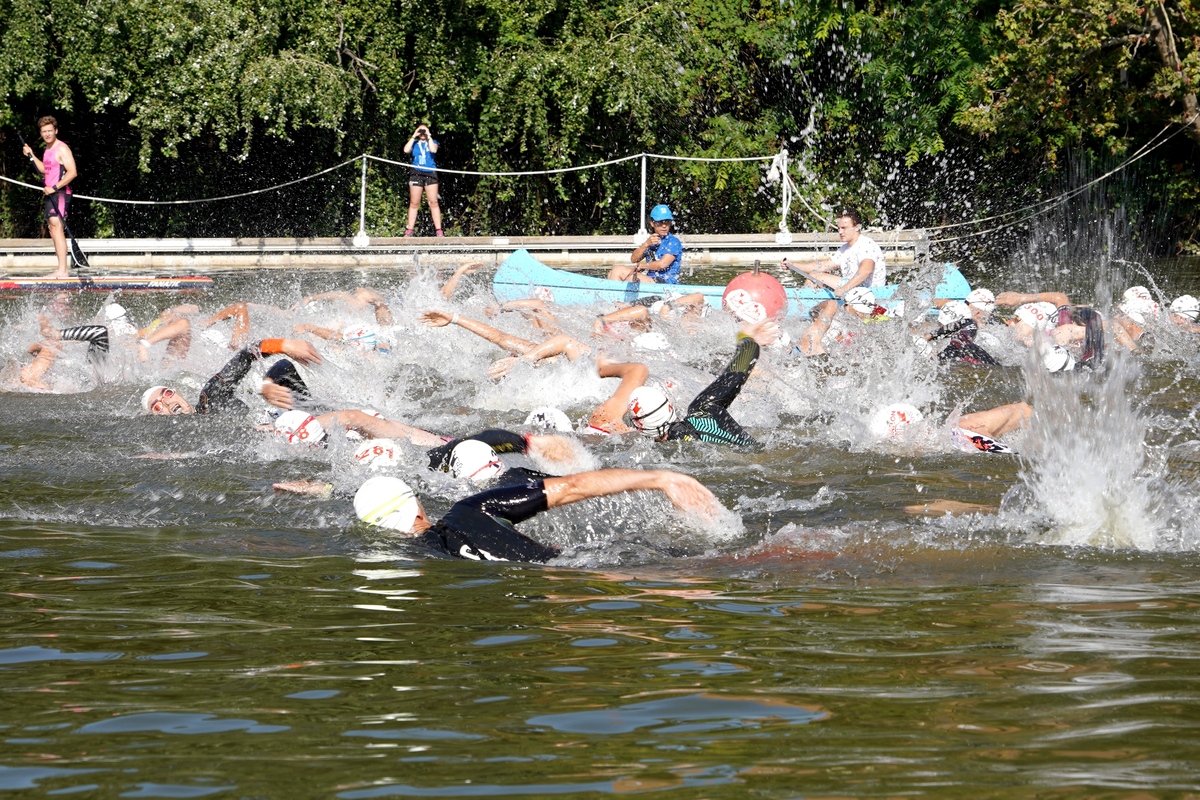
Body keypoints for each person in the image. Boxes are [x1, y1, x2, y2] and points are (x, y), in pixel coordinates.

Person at [354, 468, 717, 563]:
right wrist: (660, 479)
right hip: (573, 567)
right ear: (415, 503)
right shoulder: (469, 510)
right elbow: (572, 486)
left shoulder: (410, 558)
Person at [626, 320, 777, 446]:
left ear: (640, 429)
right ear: (669, 406)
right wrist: (746, 338)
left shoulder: (654, 458)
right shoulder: (703, 409)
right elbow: (736, 374)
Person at [21, 116, 77, 279]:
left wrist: (53, 188)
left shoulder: (62, 148)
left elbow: (72, 172)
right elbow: (45, 170)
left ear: (56, 131)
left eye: (49, 131)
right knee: (53, 229)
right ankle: (61, 269)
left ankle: (63, 271)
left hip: (59, 193)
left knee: (56, 226)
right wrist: (31, 155)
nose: (47, 134)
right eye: (44, 131)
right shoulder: (47, 151)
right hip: (51, 193)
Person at [785, 209, 886, 295]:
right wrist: (792, 265)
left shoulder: (866, 244)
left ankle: (802, 306)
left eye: (844, 228)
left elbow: (866, 270)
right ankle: (805, 302)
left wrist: (844, 289)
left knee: (814, 276)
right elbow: (821, 266)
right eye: (838, 228)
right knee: (814, 274)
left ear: (856, 227)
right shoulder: (845, 249)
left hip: (871, 292)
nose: (840, 232)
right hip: (855, 289)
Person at [606, 205, 684, 284]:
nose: (664, 225)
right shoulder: (650, 241)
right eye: (660, 222)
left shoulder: (674, 242)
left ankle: (614, 295)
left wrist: (643, 266)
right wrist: (646, 244)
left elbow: (662, 264)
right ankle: (616, 295)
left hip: (666, 283)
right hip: (652, 280)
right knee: (613, 272)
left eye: (667, 222)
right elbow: (634, 259)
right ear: (652, 223)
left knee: (624, 274)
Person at [403, 122, 442, 237]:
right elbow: (406, 150)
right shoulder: (414, 143)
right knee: (414, 203)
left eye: (424, 131)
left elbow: (433, 150)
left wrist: (429, 135)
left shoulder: (433, 142)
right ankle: (409, 230)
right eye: (421, 131)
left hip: (430, 173)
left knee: (433, 202)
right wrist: (414, 135)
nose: (422, 133)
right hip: (416, 173)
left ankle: (439, 230)